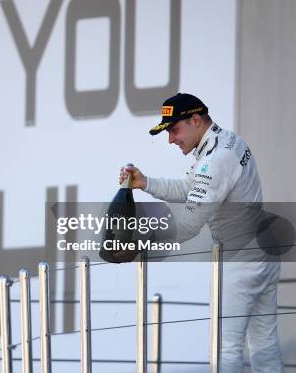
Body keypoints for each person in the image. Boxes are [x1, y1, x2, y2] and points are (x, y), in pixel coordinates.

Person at [118, 93, 283, 372]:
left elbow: (189, 224)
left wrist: (140, 237)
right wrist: (146, 183)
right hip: (263, 250)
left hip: (241, 259)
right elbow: (190, 187)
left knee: (226, 348)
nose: (170, 139)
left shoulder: (216, 158)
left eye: (174, 129)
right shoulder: (225, 141)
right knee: (264, 344)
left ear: (195, 120)